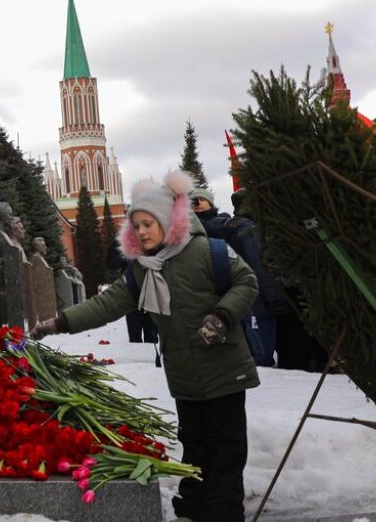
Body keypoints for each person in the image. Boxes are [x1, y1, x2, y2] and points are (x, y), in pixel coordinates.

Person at [30, 170, 259, 522]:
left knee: (226, 445)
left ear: (167, 220)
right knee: (195, 441)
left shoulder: (205, 251)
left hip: (224, 367)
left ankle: (225, 511)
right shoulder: (142, 271)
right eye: (136, 226)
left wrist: (221, 315)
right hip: (184, 375)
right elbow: (104, 306)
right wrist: (58, 323)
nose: (141, 231)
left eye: (148, 223)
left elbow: (246, 281)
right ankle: (195, 503)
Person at [222, 189, 288, 366]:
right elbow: (259, 267)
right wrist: (275, 298)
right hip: (259, 302)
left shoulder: (230, 226)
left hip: (244, 299)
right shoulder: (248, 230)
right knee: (262, 354)